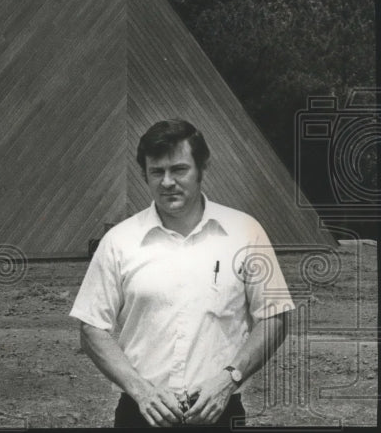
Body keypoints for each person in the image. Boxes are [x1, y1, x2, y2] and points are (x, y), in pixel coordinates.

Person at [70, 119, 293, 427]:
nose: (167, 182)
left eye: (179, 169)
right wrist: (141, 391)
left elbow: (274, 316)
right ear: (145, 175)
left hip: (219, 411)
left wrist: (229, 379)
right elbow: (91, 327)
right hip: (142, 414)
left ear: (202, 168)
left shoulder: (245, 232)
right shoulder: (119, 242)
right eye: (156, 172)